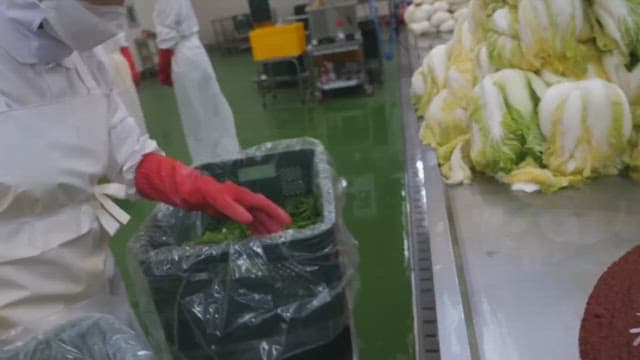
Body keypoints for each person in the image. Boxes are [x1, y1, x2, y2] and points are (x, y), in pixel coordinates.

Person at [0, 0, 291, 350]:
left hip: (96, 283)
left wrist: (196, 188)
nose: (114, 8)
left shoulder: (81, 57)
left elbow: (129, 154)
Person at [154, 0, 241, 165]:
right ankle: (228, 155)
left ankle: (209, 163)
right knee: (212, 107)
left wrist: (163, 68)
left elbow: (168, 31)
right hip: (194, 50)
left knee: (196, 113)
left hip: (183, 54)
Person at [94, 1, 148, 133]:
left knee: (127, 109)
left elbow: (121, 41)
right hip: (111, 64)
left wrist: (132, 68)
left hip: (113, 65)